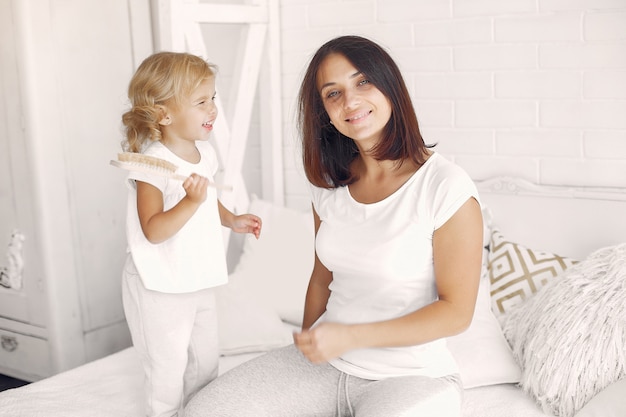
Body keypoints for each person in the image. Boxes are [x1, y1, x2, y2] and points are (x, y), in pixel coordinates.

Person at [185, 35, 483, 417]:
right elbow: (322, 279)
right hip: (330, 366)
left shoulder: (445, 186)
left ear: (389, 86)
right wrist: (309, 343)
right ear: (323, 111)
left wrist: (350, 336)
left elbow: (456, 312)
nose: (350, 101)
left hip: (411, 378)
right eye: (333, 93)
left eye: (362, 82)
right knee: (203, 412)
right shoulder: (329, 184)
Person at [120, 51, 262, 417]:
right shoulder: (151, 163)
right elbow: (153, 230)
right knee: (166, 369)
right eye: (201, 102)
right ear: (164, 114)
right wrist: (189, 201)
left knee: (205, 361)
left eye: (213, 97)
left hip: (195, 276)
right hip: (160, 284)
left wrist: (231, 219)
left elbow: (206, 200)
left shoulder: (204, 153)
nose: (213, 109)